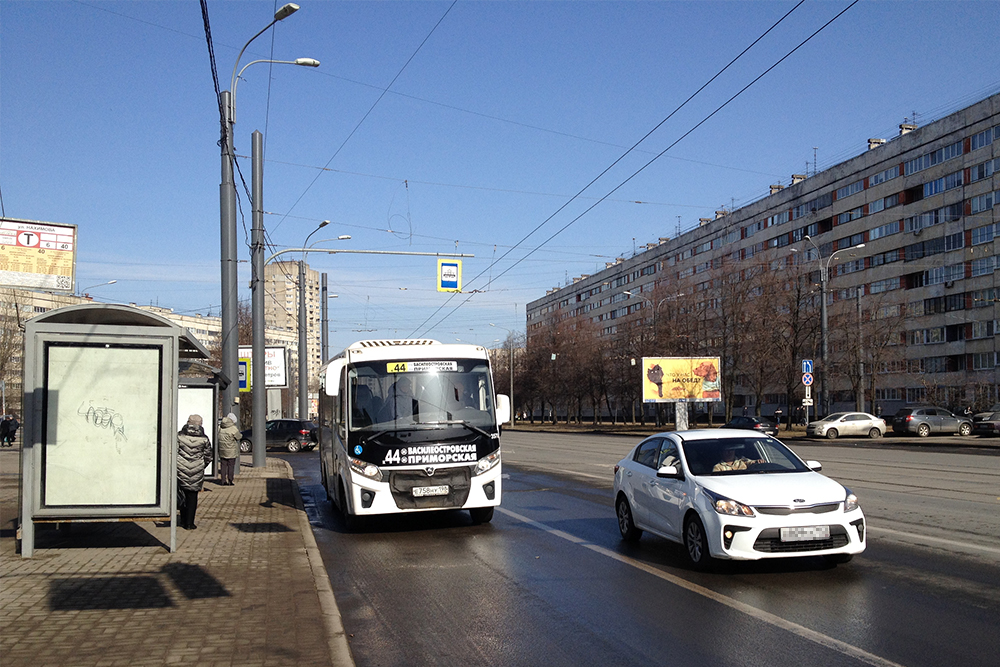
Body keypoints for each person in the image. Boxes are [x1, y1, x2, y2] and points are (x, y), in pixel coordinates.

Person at [176, 414, 211, 530]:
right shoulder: (204, 439)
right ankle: (190, 523)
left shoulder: (179, 436)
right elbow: (208, 456)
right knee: (192, 496)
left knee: (182, 494)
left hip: (180, 470)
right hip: (197, 470)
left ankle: (183, 519)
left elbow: (174, 452)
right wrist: (200, 466)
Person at [217, 412, 241, 486]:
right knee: (231, 465)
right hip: (231, 450)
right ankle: (230, 480)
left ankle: (223, 480)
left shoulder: (220, 427)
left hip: (222, 449)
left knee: (223, 465)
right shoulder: (233, 428)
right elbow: (238, 437)